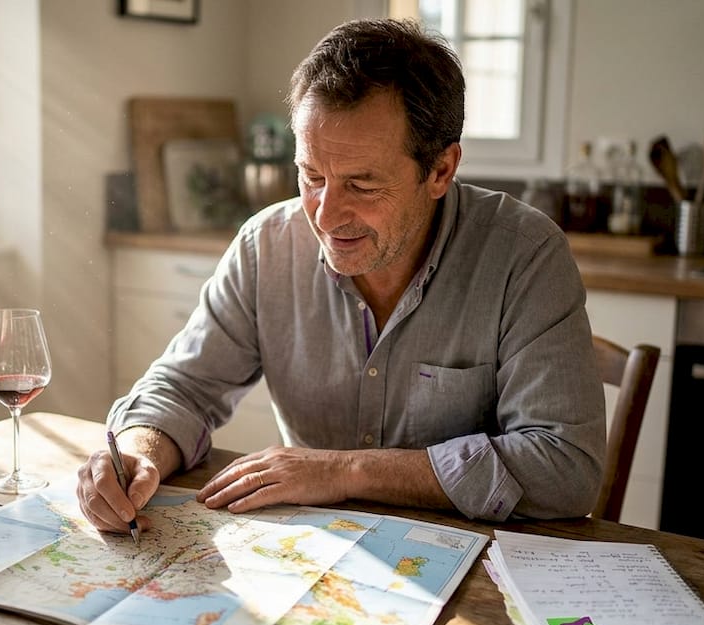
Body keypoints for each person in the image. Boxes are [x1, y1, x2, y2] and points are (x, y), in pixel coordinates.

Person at [77, 18, 605, 535]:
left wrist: (342, 470)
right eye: (311, 176)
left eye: (362, 184)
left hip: (477, 576)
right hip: (314, 561)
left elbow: (564, 468)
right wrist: (135, 452)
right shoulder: (267, 245)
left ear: (441, 170)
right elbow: (184, 387)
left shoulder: (525, 255)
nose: (326, 217)